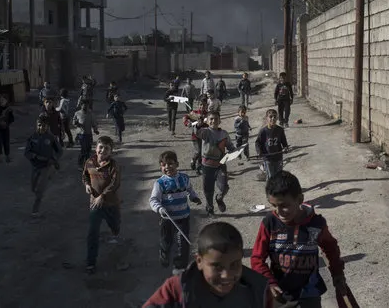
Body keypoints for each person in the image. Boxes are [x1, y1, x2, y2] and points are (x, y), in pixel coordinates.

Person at [251, 171, 347, 307]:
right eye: (274, 206)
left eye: (284, 205)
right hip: (280, 293)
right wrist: (269, 282)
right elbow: (257, 258)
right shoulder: (270, 223)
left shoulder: (316, 224)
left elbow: (330, 247)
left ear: (300, 199)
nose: (279, 211)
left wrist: (337, 273)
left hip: (310, 292)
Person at [143, 222, 270, 307]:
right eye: (217, 266)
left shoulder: (258, 290)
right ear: (199, 261)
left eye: (234, 265)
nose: (226, 275)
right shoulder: (177, 288)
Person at [149, 151, 202, 275]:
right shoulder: (160, 183)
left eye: (170, 164)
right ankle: (164, 252)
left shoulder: (184, 178)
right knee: (166, 241)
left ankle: (180, 266)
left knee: (183, 242)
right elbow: (153, 200)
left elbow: (189, 190)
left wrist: (194, 197)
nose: (167, 167)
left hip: (183, 216)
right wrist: (159, 208)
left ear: (177, 164)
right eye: (163, 165)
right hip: (167, 219)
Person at [82, 135, 121, 274]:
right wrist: (87, 184)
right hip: (95, 205)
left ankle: (115, 233)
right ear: (96, 148)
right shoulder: (89, 162)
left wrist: (102, 196)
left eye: (106, 148)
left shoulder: (113, 165)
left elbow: (115, 183)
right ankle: (90, 263)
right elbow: (85, 175)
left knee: (115, 226)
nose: (103, 150)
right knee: (92, 232)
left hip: (111, 204)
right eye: (100, 147)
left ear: (111, 151)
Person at [194, 111, 235, 216]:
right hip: (207, 166)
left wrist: (236, 151)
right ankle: (210, 208)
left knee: (224, 187)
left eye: (216, 119)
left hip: (220, 164)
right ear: (207, 121)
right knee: (208, 189)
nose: (213, 121)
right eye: (211, 119)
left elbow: (230, 146)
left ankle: (219, 198)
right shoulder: (205, 132)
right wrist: (198, 125)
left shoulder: (224, 134)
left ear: (219, 120)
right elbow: (197, 133)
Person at [24, 115, 63, 218]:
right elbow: (27, 152)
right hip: (35, 166)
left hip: (46, 167)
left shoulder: (51, 138)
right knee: (33, 188)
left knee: (40, 190)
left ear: (47, 126)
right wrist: (35, 156)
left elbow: (59, 151)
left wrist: (53, 159)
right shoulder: (32, 137)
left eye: (44, 125)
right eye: (39, 125)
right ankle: (39, 191)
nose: (42, 127)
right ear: (37, 125)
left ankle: (35, 209)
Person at [255, 109, 289, 181]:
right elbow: (257, 142)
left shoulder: (280, 130)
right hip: (268, 158)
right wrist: (259, 151)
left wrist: (285, 147)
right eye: (270, 117)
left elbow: (284, 141)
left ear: (277, 118)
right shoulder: (263, 131)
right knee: (271, 176)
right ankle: (271, 191)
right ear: (267, 118)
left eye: (274, 117)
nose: (273, 118)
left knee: (279, 175)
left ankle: (278, 190)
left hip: (278, 157)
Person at [183, 100, 208, 175]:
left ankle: (199, 168)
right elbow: (185, 117)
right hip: (195, 136)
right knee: (198, 151)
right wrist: (187, 123)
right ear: (198, 105)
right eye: (200, 105)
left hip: (204, 136)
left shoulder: (208, 114)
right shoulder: (194, 113)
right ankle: (193, 160)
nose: (202, 106)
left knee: (203, 152)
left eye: (204, 105)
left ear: (206, 105)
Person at [73, 99, 99, 170]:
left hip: (88, 134)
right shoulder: (77, 113)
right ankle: (80, 164)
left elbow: (94, 123)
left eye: (86, 105)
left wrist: (95, 130)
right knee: (83, 149)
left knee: (88, 150)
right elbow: (74, 121)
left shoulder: (91, 114)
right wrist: (76, 124)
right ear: (81, 105)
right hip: (81, 134)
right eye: (83, 104)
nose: (85, 106)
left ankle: (87, 164)